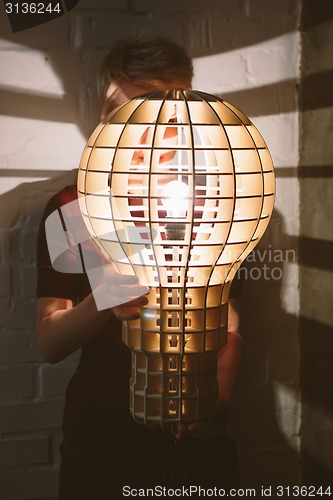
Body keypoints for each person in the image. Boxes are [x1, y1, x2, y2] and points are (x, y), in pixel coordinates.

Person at [36, 37, 242, 499]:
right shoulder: (72, 208)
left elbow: (230, 326)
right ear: (102, 116)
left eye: (160, 119)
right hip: (104, 445)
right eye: (122, 114)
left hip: (200, 446)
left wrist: (216, 402)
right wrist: (105, 298)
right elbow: (49, 342)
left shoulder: (221, 206)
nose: (140, 137)